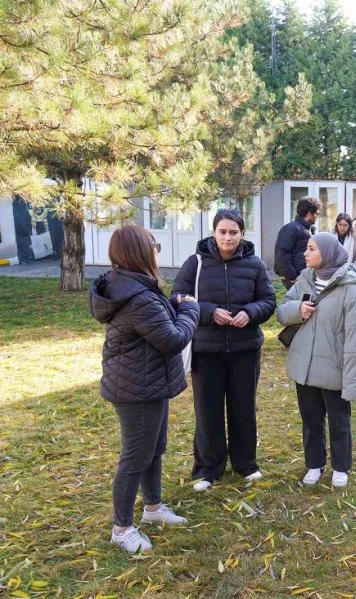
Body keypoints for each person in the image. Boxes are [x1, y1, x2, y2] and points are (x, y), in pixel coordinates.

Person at [89, 226, 200, 554]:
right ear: (140, 251)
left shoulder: (133, 286)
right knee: (135, 457)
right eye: (155, 245)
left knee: (154, 448)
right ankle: (121, 528)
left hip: (147, 383)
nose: (157, 251)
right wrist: (191, 309)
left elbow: (158, 327)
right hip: (136, 388)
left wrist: (174, 306)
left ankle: (152, 508)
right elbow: (172, 339)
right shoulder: (138, 297)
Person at [172, 209, 276, 492]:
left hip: (245, 350)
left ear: (242, 234)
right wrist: (207, 312)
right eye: (222, 232)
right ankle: (208, 468)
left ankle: (246, 464)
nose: (227, 237)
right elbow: (178, 298)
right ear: (213, 233)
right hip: (207, 350)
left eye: (233, 232)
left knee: (243, 408)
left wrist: (249, 312)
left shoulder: (255, 265)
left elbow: (268, 300)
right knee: (208, 411)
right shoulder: (195, 264)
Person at [276, 233, 356, 488]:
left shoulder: (351, 290)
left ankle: (341, 466)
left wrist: (352, 382)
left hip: (333, 370)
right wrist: (298, 310)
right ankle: (314, 464)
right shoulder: (305, 279)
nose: (305, 254)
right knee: (310, 419)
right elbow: (282, 311)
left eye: (311, 249)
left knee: (339, 422)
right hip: (304, 367)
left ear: (327, 253)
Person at [274, 197, 319, 290]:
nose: (317, 217)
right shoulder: (289, 229)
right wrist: (292, 277)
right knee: (299, 304)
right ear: (310, 213)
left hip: (304, 278)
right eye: (316, 213)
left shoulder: (308, 230)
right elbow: (282, 256)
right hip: (295, 280)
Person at [333, 213, 356, 279]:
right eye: (340, 224)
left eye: (345, 225)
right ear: (337, 224)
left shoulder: (355, 239)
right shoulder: (331, 237)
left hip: (350, 274)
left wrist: (350, 271)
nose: (342, 228)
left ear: (349, 226)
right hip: (333, 273)